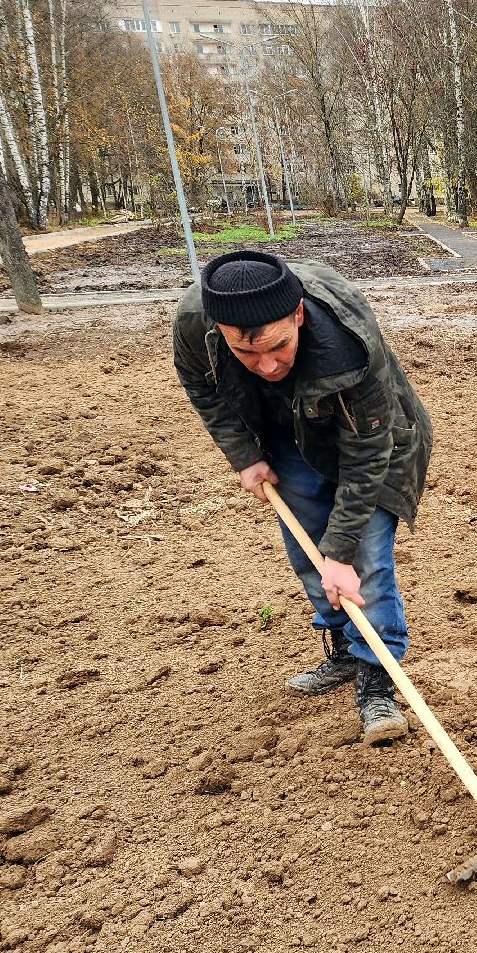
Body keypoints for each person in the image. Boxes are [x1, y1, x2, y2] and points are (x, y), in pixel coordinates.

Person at [172, 250, 433, 743]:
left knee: (363, 562)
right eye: (246, 353)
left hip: (370, 439)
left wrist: (342, 551)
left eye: (277, 346)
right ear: (218, 329)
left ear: (297, 316)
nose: (266, 365)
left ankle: (377, 680)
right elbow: (202, 390)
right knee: (309, 554)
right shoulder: (194, 322)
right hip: (284, 434)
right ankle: (342, 652)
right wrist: (245, 455)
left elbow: (367, 452)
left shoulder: (350, 341)